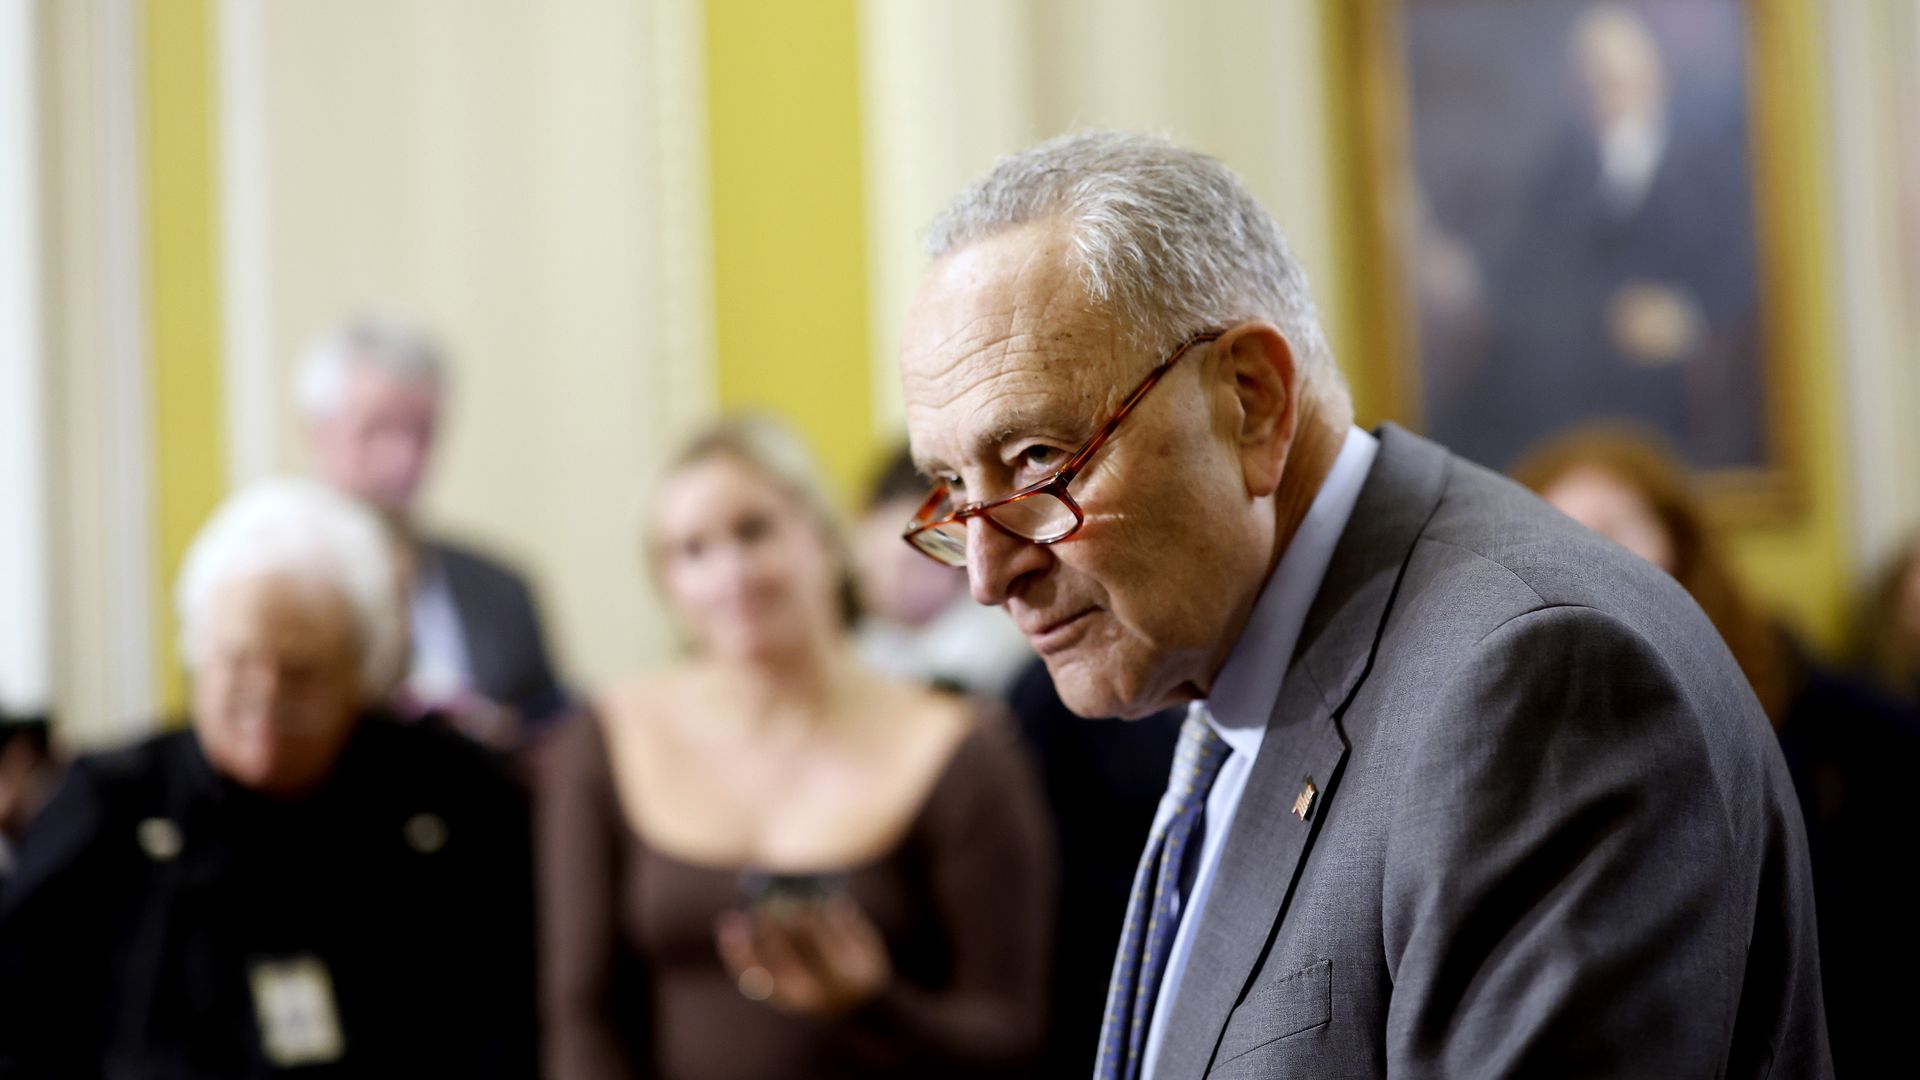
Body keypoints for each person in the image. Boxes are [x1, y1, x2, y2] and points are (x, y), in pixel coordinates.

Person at [896, 131, 1828, 1077]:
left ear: (1252, 402)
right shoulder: (1238, 656)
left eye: (1039, 461)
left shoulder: (1538, 678)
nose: (985, 572)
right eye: (949, 489)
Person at [535, 415, 1054, 1079]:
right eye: (693, 551)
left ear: (824, 536)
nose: (733, 573)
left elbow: (1012, 1037)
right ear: (666, 585)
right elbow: (581, 1018)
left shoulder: (961, 752)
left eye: (755, 531)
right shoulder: (602, 740)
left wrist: (870, 1005)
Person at [0, 477, 536, 1077]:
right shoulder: (111, 804)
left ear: (363, 675)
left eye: (302, 671)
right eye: (238, 661)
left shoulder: (452, 798)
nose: (266, 694)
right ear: (197, 656)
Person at [1515, 425, 1920, 1077]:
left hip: (1816, 991)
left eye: (1614, 526)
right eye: (1564, 532)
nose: (1590, 552)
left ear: (1672, 538)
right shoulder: (1529, 690)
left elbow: (1897, 740)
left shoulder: (1761, 650)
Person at [301, 317, 568, 748]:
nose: (403, 459)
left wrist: (500, 738)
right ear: (317, 433)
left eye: (421, 431)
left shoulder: (503, 590)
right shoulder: (275, 590)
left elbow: (556, 738)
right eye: (378, 429)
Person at [853, 444, 1034, 697]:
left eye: (931, 561)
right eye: (906, 564)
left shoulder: (983, 648)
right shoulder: (862, 642)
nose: (918, 584)